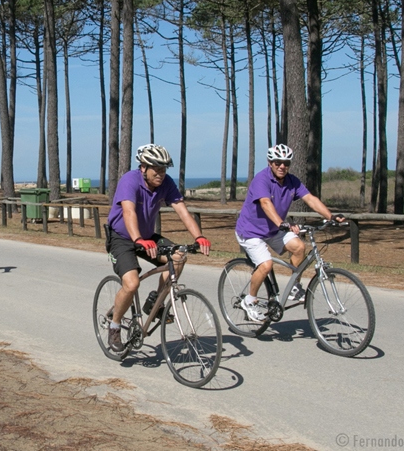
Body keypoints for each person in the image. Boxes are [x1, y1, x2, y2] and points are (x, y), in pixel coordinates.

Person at [104, 144, 211, 352]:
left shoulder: (166, 183)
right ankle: (115, 325)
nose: (161, 174)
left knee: (179, 256)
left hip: (147, 237)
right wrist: (138, 239)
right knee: (132, 283)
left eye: (164, 169)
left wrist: (199, 236)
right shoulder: (129, 180)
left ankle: (155, 304)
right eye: (157, 169)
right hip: (122, 238)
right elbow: (128, 212)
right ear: (143, 167)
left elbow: (182, 211)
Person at [235, 144, 345, 322]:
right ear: (270, 163)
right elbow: (265, 203)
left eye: (286, 163)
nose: (282, 166)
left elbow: (310, 199)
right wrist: (282, 223)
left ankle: (295, 286)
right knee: (266, 265)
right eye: (277, 162)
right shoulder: (261, 180)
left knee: (299, 247)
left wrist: (330, 216)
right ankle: (250, 300)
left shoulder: (292, 181)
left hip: (273, 230)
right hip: (251, 232)